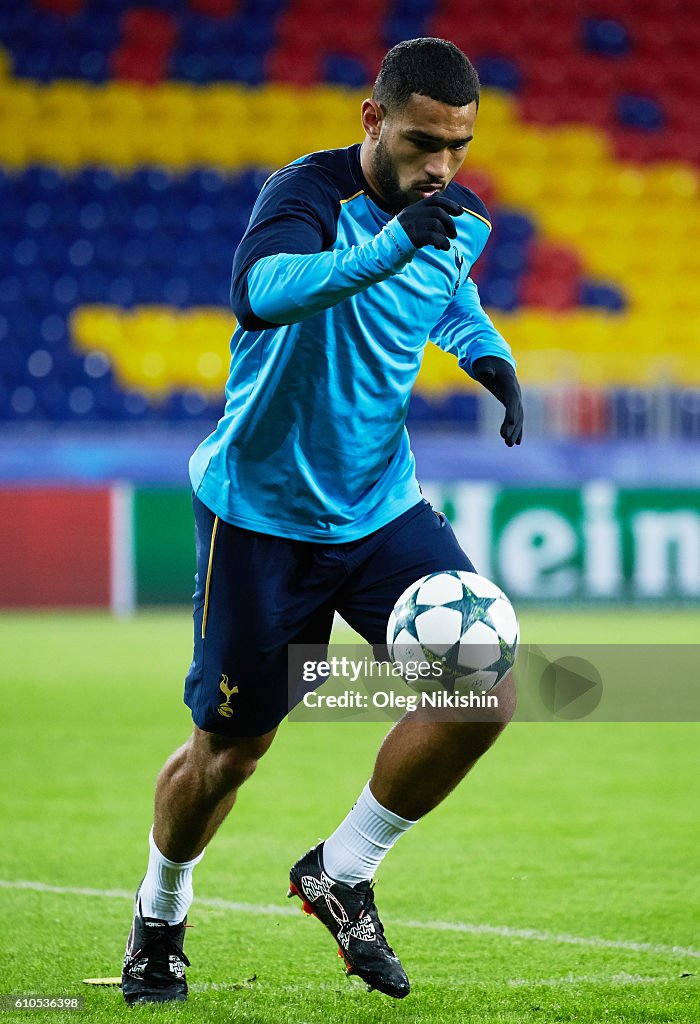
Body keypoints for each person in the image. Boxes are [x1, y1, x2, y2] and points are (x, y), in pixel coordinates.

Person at [122, 36, 523, 1005]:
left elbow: (448, 298)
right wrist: (389, 246)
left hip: (380, 506)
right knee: (229, 754)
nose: (440, 166)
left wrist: (489, 357)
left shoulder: (452, 221)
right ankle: (160, 914)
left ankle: (339, 872)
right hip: (259, 517)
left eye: (458, 147)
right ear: (372, 119)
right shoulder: (303, 194)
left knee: (484, 691)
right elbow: (262, 294)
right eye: (424, 141)